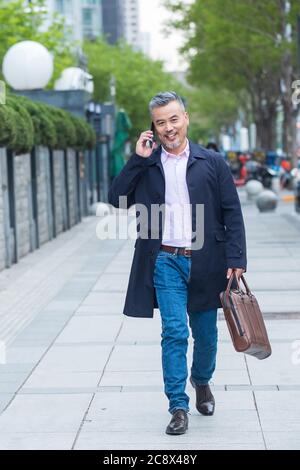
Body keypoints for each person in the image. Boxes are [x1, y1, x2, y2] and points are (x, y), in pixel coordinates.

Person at [108, 91, 247, 435]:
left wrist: (236, 258)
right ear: (153, 128)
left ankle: (201, 381)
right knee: (174, 332)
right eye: (160, 122)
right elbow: (117, 199)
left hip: (206, 262)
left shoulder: (211, 162)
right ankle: (178, 406)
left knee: (206, 335)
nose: (168, 127)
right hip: (165, 260)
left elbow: (232, 212)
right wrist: (137, 160)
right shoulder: (148, 164)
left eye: (173, 119)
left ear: (185, 118)